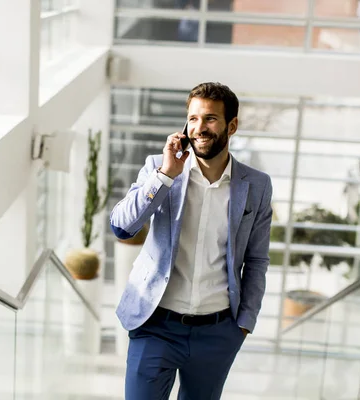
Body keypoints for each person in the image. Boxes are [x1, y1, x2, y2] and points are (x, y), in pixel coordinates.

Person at [110, 82, 273, 399]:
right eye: (193, 119)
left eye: (211, 119)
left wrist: (243, 323)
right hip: (155, 323)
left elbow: (256, 260)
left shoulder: (256, 185)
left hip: (218, 332)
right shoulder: (159, 168)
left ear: (232, 125)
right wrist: (166, 175)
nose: (200, 128)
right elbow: (122, 227)